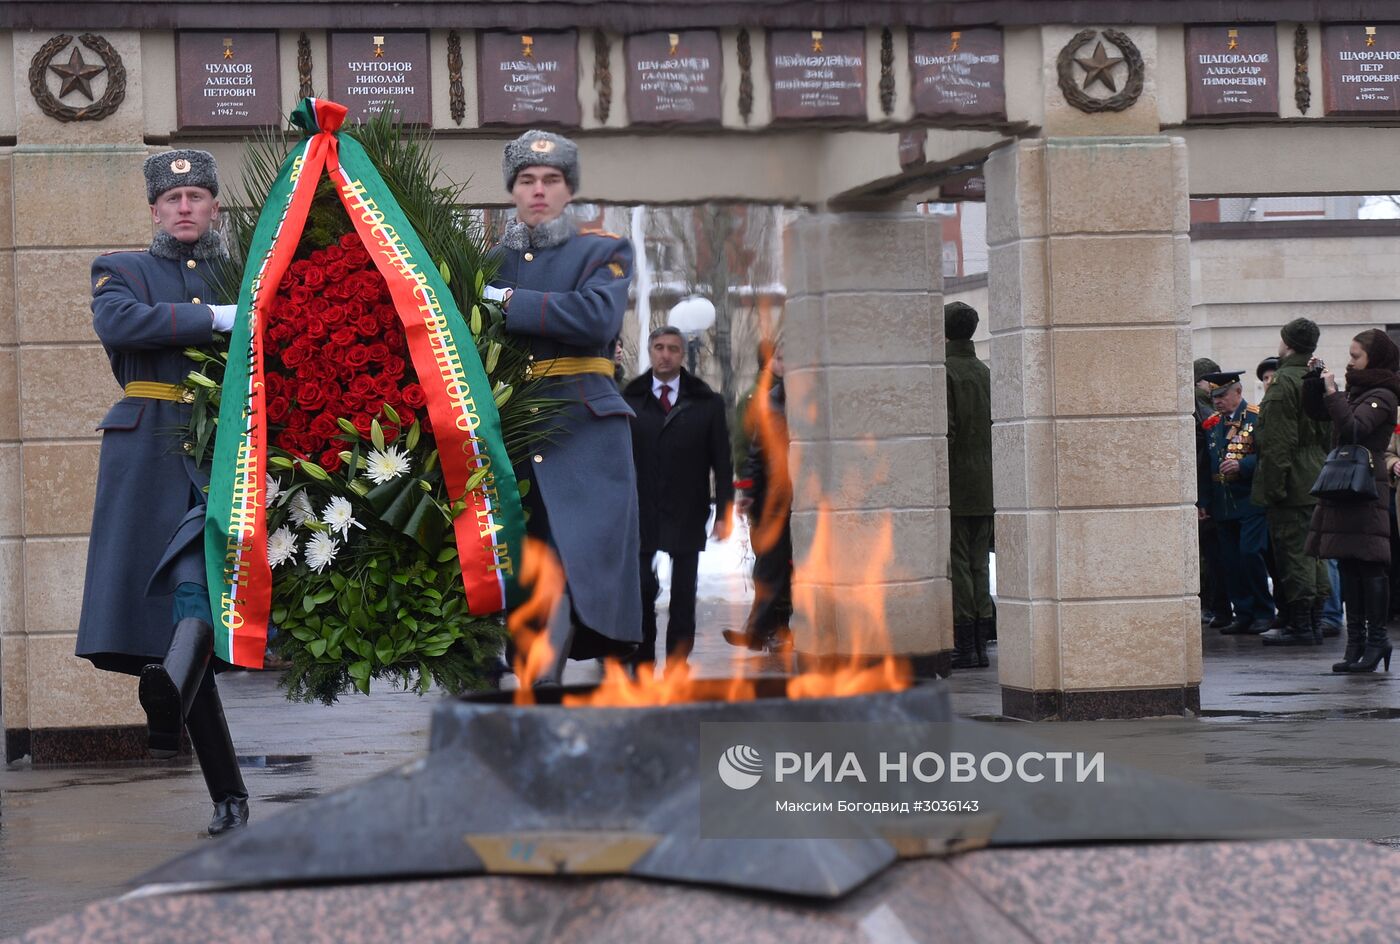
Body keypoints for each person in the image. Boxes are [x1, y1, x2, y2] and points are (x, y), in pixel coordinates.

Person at [75, 149, 248, 835]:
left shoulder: (238, 275)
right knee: (184, 614)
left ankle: (169, 698)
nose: (184, 207)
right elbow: (121, 325)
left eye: (197, 197)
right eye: (172, 199)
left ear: (213, 208)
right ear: (154, 209)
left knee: (193, 598)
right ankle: (227, 792)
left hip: (217, 451)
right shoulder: (122, 270)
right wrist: (215, 321)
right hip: (149, 452)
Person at [484, 130, 641, 683]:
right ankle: (530, 671)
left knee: (580, 559)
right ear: (512, 191)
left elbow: (596, 318)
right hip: (515, 430)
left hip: (585, 430)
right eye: (527, 181)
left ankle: (546, 674)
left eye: (551, 180)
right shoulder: (489, 261)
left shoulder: (605, 252)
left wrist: (508, 303)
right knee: (523, 558)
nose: (539, 191)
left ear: (569, 189)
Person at [623, 326, 734, 673]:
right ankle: (642, 662)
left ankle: (676, 664)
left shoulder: (706, 402)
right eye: (659, 347)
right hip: (642, 511)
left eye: (672, 348)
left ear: (682, 354)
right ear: (650, 351)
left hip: (688, 509)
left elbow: (723, 461)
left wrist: (724, 512)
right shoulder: (630, 400)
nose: (665, 354)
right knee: (641, 590)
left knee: (684, 595)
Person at [1303, 329, 1400, 672]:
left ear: (1375, 358)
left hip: (1366, 489)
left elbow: (1354, 429)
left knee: (1369, 565)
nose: (1349, 360)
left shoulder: (1383, 395)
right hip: (1346, 485)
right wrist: (1315, 383)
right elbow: (1319, 415)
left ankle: (1377, 640)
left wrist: (1332, 393)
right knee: (1348, 562)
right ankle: (1356, 643)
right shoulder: (1360, 390)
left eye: (1356, 355)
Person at [1253, 318, 1333, 646]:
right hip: (1319, 474)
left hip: (1294, 482)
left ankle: (1302, 626)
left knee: (1295, 553)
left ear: (1287, 344)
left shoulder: (1284, 383)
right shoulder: (1316, 378)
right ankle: (1312, 622)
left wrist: (1273, 488)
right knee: (1316, 554)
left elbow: (1277, 443)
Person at [724, 339, 793, 654]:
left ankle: (774, 630)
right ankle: (759, 631)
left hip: (806, 500)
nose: (783, 364)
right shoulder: (768, 401)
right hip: (776, 500)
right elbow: (753, 451)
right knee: (769, 566)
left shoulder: (808, 400)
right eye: (780, 357)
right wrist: (749, 491)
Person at [1198, 371, 1274, 634]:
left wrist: (1243, 466)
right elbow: (1206, 464)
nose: (1217, 401)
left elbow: (1267, 456)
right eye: (1214, 397)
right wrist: (1204, 501)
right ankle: (1242, 613)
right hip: (1223, 504)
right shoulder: (1213, 424)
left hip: (1250, 499)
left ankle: (1264, 611)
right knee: (1229, 560)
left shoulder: (1255, 417)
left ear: (1238, 393)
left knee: (1250, 554)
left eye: (1222, 396)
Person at [943, 302, 994, 669]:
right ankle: (979, 642)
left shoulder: (944, 372)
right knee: (977, 563)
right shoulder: (984, 371)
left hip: (956, 484)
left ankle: (965, 642)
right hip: (986, 484)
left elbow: (947, 433)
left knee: (959, 563)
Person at [1194, 357, 1234, 629]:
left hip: (1202, 491)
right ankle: (1217, 607)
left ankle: (1215, 607)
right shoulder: (1202, 407)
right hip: (1209, 490)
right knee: (1216, 555)